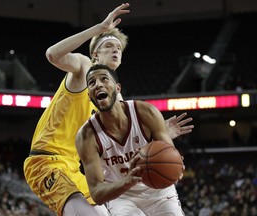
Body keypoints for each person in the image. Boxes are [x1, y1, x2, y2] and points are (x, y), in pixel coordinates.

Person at [24, 3, 193, 216]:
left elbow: (121, 145)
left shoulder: (116, 98)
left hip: (75, 169)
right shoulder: (84, 67)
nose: (115, 50)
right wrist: (99, 29)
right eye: (109, 46)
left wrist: (159, 135)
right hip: (47, 161)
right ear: (95, 54)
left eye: (119, 48)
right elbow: (52, 54)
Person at [76, 64, 186, 216]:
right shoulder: (86, 136)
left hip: (158, 192)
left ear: (118, 88)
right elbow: (97, 193)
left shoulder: (145, 112)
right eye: (92, 83)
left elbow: (170, 155)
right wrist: (127, 181)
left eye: (104, 79)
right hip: (121, 195)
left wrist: (175, 168)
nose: (98, 84)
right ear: (89, 96)